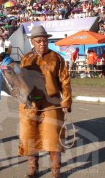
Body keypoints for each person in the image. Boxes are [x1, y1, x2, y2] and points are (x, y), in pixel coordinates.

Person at [18, 25, 72, 178]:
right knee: (30, 137)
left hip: (52, 104)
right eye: (39, 41)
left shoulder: (57, 58)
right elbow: (20, 82)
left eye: (45, 40)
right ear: (32, 42)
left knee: (53, 139)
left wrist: (66, 102)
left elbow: (65, 81)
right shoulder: (25, 59)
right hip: (30, 106)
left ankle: (55, 170)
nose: (42, 43)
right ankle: (33, 169)